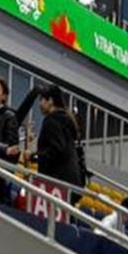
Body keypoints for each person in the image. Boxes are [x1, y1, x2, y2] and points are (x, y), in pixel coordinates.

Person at [16, 82, 85, 211]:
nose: (40, 104)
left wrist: (34, 156)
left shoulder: (52, 121)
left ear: (51, 101)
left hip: (58, 182)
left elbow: (56, 150)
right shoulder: (66, 121)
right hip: (72, 182)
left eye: (42, 100)